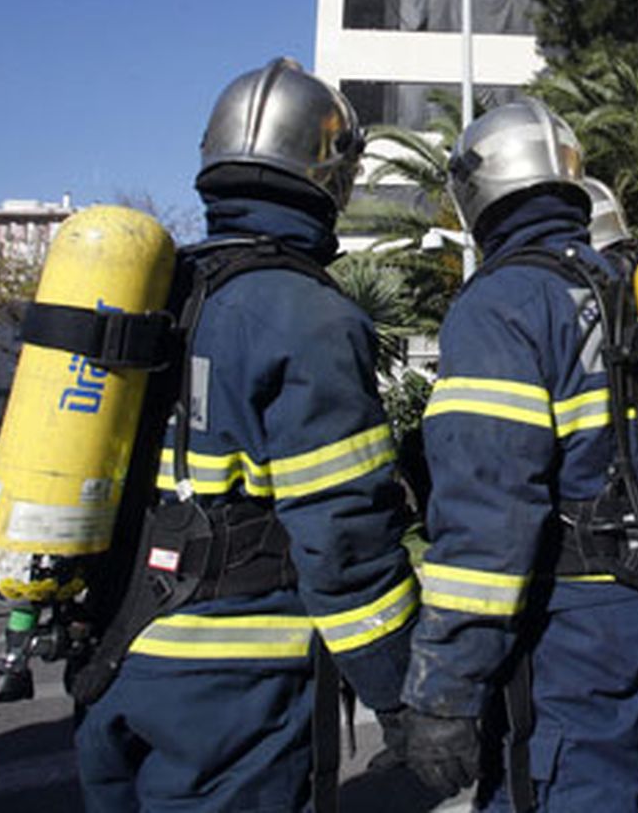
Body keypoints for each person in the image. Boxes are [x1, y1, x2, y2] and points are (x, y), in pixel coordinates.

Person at [74, 57, 418, 811]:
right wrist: (400, 694)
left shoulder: (159, 291)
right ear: (333, 178)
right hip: (233, 685)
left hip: (113, 657)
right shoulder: (308, 317)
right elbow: (343, 534)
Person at [395, 99, 638, 810]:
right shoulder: (635, 288)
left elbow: (488, 512)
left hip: (578, 635)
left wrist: (446, 688)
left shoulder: (506, 303)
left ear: (477, 193)